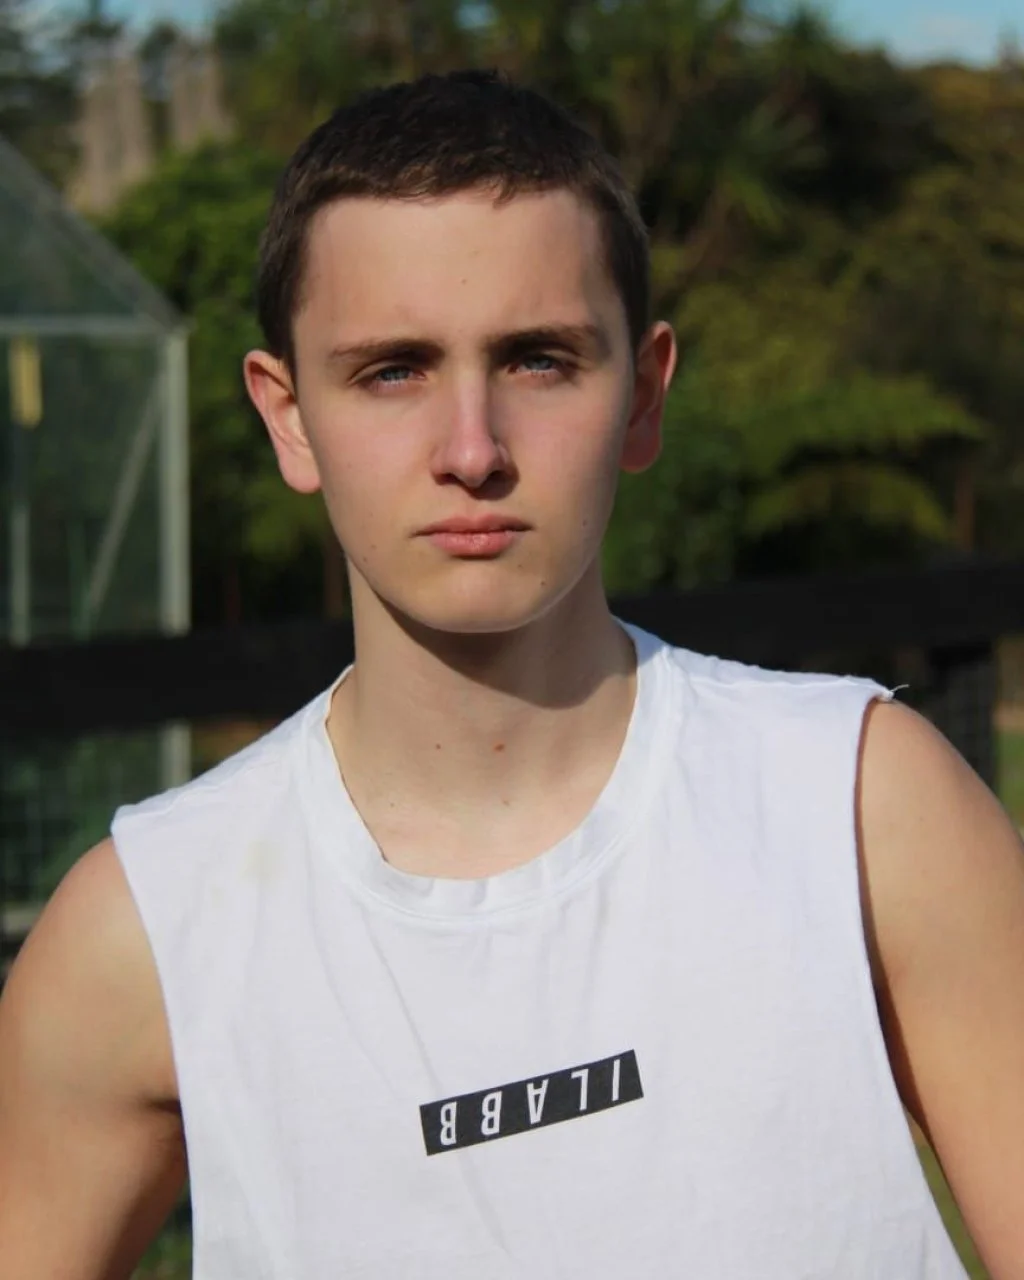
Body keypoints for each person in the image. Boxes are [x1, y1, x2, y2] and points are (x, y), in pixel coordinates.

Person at [1, 69, 1023, 1280]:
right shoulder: (142, 930)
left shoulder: (863, 808)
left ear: (642, 393)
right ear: (286, 416)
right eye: (393, 369)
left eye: (537, 359)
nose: (471, 449)